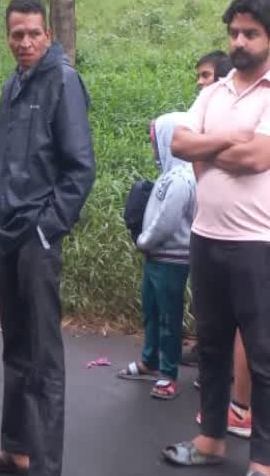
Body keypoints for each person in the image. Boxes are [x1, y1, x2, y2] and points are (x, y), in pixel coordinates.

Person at [0, 0, 96, 476]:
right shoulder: (13, 84)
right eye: (16, 34)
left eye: (33, 34)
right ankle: (16, 450)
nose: (24, 42)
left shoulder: (62, 81)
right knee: (15, 349)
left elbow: (80, 169)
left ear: (48, 35)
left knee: (44, 359)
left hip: (35, 239)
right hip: (3, 232)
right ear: (7, 37)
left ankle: (45, 466)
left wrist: (46, 230)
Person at [163, 0, 270, 472]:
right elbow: (179, 142)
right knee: (210, 346)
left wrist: (208, 149)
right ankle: (211, 441)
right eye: (234, 33)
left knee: (263, 355)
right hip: (205, 239)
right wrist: (229, 139)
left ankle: (263, 461)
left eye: (250, 33)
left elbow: (258, 158)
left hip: (257, 244)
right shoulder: (213, 92)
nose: (239, 41)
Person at [116, 113, 194, 400]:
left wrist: (143, 240)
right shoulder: (169, 174)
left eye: (155, 140)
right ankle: (150, 360)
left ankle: (168, 373)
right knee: (150, 309)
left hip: (170, 258)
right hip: (154, 256)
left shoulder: (182, 179)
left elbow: (167, 222)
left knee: (168, 318)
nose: (153, 146)